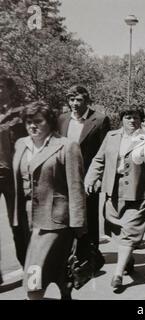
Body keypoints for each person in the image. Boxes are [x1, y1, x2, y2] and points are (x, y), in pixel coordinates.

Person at [84, 106, 145, 290]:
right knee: (116, 230)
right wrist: (91, 178)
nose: (132, 121)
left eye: (136, 117)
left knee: (130, 232)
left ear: (141, 119)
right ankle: (128, 258)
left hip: (139, 193)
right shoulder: (111, 136)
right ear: (122, 119)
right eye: (128, 117)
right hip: (113, 192)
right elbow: (99, 160)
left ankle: (117, 274)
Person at [12, 101, 87, 300]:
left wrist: (79, 227)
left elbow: (76, 187)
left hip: (55, 221)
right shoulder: (21, 144)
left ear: (50, 122)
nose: (32, 126)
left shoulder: (66, 146)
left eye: (38, 121)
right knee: (55, 266)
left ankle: (35, 296)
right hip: (26, 219)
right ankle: (65, 290)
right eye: (28, 122)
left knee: (33, 274)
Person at [58, 85, 110, 270]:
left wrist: (97, 178)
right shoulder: (62, 120)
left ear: (87, 101)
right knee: (67, 215)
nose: (74, 103)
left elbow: (105, 152)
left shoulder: (100, 120)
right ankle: (72, 256)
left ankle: (91, 258)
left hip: (88, 176)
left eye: (78, 99)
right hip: (65, 177)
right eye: (71, 99)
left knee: (89, 217)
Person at [0, 76, 28, 270]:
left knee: (18, 223)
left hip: (13, 176)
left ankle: (28, 266)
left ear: (10, 90)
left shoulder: (20, 115)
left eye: (1, 87)